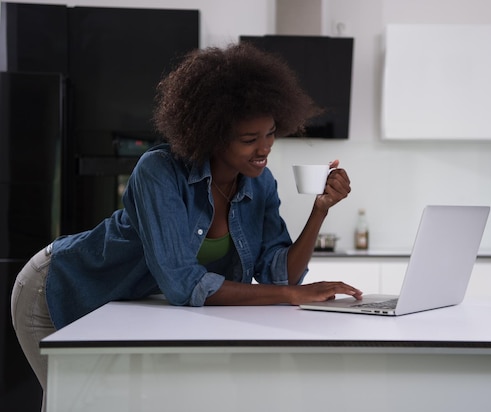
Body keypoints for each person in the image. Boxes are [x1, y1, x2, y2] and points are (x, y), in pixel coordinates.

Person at [11, 42, 362, 410]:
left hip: (118, 308)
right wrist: (292, 296)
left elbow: (281, 276)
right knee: (73, 404)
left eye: (271, 133)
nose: (264, 149)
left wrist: (320, 210)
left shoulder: (260, 183)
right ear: (212, 133)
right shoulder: (158, 172)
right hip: (58, 289)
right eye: (248, 139)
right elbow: (183, 284)